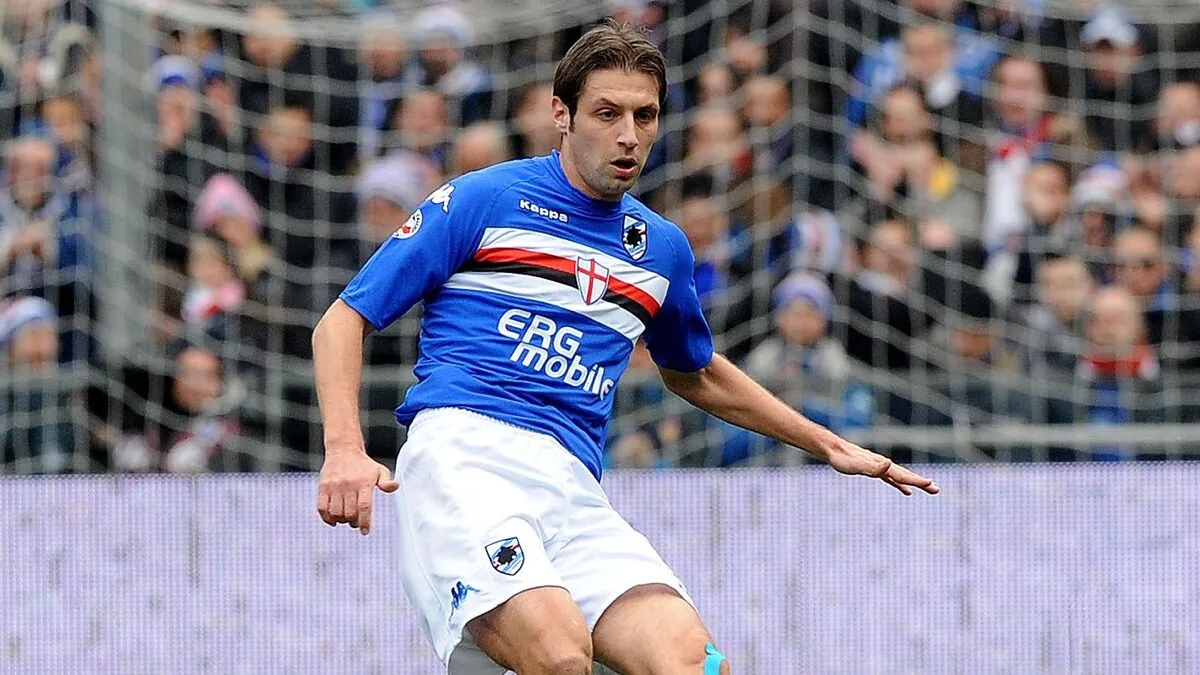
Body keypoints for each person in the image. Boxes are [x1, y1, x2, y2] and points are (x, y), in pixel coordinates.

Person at [312, 21, 938, 675]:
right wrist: (345, 448)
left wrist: (827, 444)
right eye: (607, 113)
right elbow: (342, 321)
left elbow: (695, 371)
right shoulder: (482, 199)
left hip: (573, 484)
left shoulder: (660, 247)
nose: (629, 134)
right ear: (561, 114)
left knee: (697, 664)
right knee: (561, 655)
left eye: (645, 115)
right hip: (466, 458)